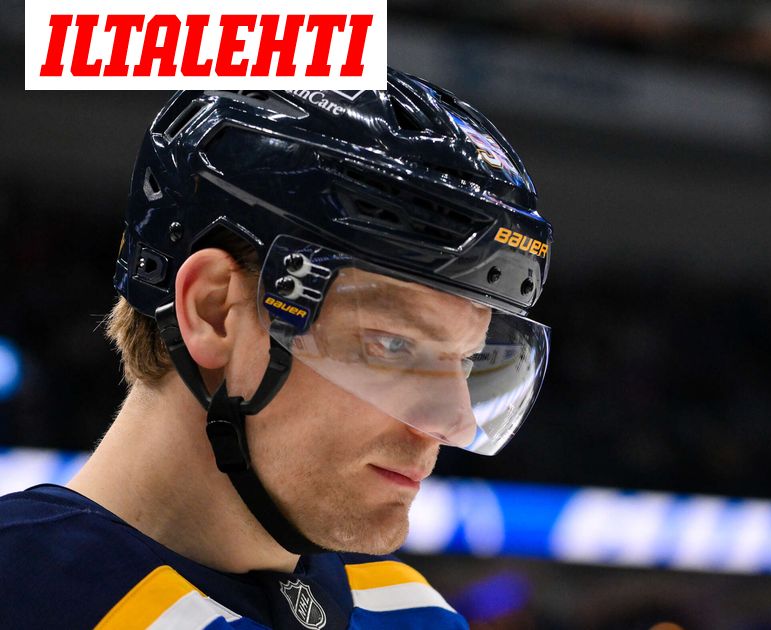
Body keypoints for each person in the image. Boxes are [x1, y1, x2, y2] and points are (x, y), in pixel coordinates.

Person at [0, 69, 553, 628]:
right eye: (393, 344)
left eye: (464, 359)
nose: (453, 423)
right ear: (214, 311)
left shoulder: (410, 612)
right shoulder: (21, 594)